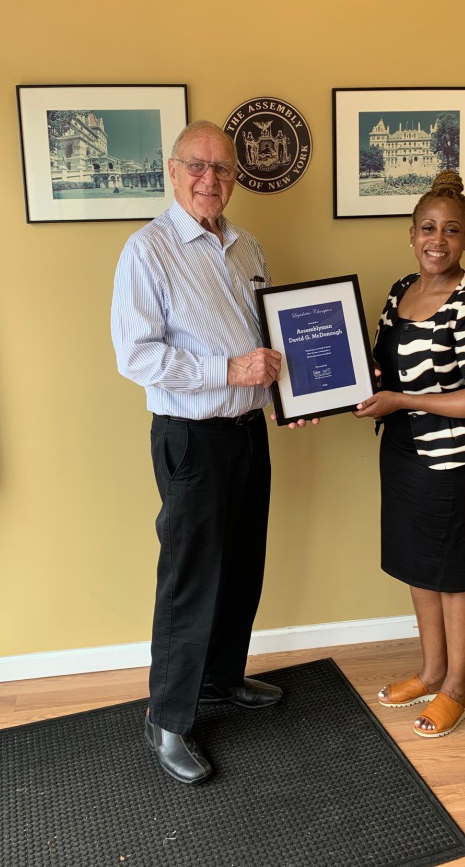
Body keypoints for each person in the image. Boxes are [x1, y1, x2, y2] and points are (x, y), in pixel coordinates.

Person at [111, 120, 312, 785]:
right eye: (197, 166)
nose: (210, 179)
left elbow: (267, 340)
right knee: (191, 578)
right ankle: (167, 718)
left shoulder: (247, 245)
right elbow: (136, 356)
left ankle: (222, 679)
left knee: (243, 564)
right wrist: (231, 372)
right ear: (173, 171)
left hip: (248, 431)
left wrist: (290, 398)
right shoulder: (149, 250)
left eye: (223, 169)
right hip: (192, 438)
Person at [354, 170, 465, 738]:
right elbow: (381, 363)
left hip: (455, 461)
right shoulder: (401, 291)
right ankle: (431, 670)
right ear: (411, 233)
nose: (437, 239)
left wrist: (399, 397)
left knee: (455, 574)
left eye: (451, 230)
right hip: (403, 452)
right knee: (419, 567)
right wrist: (358, 382)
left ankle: (458, 685)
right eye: (427, 228)